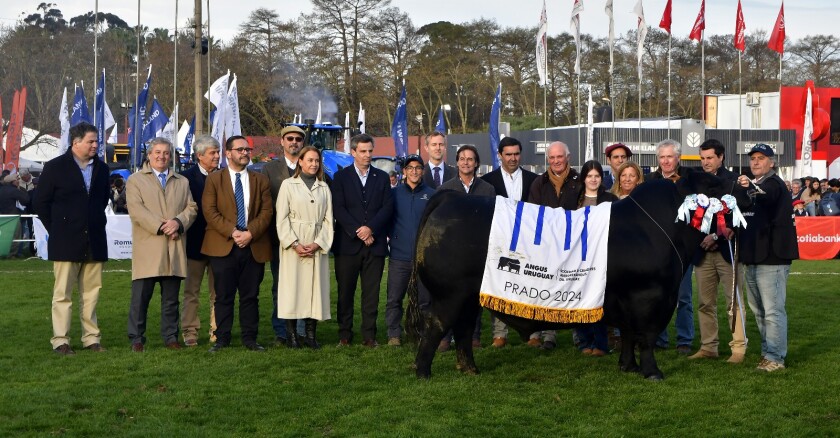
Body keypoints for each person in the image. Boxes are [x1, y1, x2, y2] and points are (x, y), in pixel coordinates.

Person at [34, 122, 110, 354]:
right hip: (65, 240)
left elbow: (102, 200)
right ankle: (61, 340)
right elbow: (40, 203)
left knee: (91, 294)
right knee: (62, 294)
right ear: (75, 142)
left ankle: (91, 338)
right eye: (91, 141)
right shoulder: (55, 167)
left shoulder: (102, 169)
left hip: (94, 239)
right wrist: (58, 228)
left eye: (96, 141)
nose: (96, 145)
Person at [202, 135, 274, 353]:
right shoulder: (214, 179)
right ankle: (222, 338)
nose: (245, 153)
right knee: (223, 296)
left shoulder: (260, 179)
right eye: (240, 149)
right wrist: (233, 232)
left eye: (247, 149)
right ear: (228, 153)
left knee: (250, 296)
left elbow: (266, 211)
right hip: (223, 246)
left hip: (253, 246)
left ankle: (250, 339)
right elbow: (210, 211)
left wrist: (250, 233)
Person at [125, 138, 197, 351]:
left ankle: (170, 337)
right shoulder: (135, 181)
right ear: (149, 155)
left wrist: (178, 223)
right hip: (149, 247)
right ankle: (136, 338)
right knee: (141, 299)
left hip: (173, 249)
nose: (161, 156)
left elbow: (191, 208)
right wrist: (162, 226)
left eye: (166, 153)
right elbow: (137, 210)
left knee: (171, 299)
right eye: (157, 152)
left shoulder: (182, 181)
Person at [736, 144, 799, 372]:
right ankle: (767, 353)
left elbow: (768, 196)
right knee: (760, 311)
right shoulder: (758, 185)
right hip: (754, 256)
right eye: (753, 158)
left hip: (772, 257)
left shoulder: (774, 184)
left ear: (772, 162)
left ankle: (775, 357)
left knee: (772, 311)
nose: (755, 162)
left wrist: (749, 186)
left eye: (761, 158)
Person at [331, 133, 394, 347]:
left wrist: (371, 229)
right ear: (353, 152)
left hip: (374, 246)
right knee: (345, 294)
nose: (367, 155)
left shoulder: (382, 177)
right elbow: (338, 208)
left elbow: (387, 207)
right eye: (363, 151)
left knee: (371, 295)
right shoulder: (340, 177)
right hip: (347, 246)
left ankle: (369, 336)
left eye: (370, 151)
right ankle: (344, 335)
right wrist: (359, 231)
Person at [688, 139, 747, 364]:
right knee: (705, 302)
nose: (705, 163)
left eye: (710, 158)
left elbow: (742, 215)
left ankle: (739, 348)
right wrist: (701, 237)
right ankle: (708, 347)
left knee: (733, 301)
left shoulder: (734, 181)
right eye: (702, 158)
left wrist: (719, 234)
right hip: (702, 252)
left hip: (728, 251)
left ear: (721, 157)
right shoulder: (695, 183)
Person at [481, 137, 543, 349]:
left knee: (530, 287)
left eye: (516, 154)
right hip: (500, 243)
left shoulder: (534, 180)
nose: (513, 158)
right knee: (500, 288)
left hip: (528, 244)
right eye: (508, 154)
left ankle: (533, 333)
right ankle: (500, 334)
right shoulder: (488, 181)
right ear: (500, 155)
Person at [276, 146, 334, 349]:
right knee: (293, 289)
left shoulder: (324, 187)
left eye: (316, 161)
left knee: (314, 289)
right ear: (300, 161)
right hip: (295, 245)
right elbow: (281, 218)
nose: (313, 164)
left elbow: (328, 220)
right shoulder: (288, 185)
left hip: (315, 244)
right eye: (309, 160)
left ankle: (310, 335)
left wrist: (318, 243)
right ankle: (291, 335)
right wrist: (294, 243)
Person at [646, 139, 694, 354]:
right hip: (657, 250)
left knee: (683, 297)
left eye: (669, 156)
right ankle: (659, 338)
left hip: (682, 249)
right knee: (658, 296)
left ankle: (684, 340)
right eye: (662, 157)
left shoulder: (689, 179)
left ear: (678, 158)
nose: (665, 161)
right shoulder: (649, 181)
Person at [263, 125, 307, 346]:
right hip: (279, 239)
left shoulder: (312, 166)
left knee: (304, 285)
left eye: (298, 139)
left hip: (307, 239)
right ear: (282, 141)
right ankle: (281, 332)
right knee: (280, 286)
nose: (294, 142)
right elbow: (265, 203)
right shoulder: (269, 170)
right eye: (290, 138)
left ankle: (300, 331)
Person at [385, 154, 435, 347]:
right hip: (399, 256)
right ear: (404, 171)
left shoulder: (431, 194)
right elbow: (388, 220)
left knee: (424, 300)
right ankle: (394, 334)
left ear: (423, 171)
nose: (414, 171)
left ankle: (422, 332)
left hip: (423, 258)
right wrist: (395, 239)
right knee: (394, 298)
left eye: (418, 168)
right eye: (410, 168)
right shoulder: (394, 193)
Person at [571, 160, 616, 356]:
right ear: (584, 178)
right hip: (576, 258)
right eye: (589, 176)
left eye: (597, 176)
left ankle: (601, 344)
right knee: (578, 300)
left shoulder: (610, 199)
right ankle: (584, 342)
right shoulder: (574, 200)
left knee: (598, 301)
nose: (593, 179)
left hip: (601, 259)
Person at [180, 135, 221, 346]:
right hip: (194, 244)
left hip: (220, 244)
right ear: (199, 155)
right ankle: (190, 332)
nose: (217, 156)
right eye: (212, 152)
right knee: (191, 292)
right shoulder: (184, 178)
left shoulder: (225, 176)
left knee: (219, 292)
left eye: (217, 152)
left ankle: (217, 331)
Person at [0, 173, 29, 258]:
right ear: (12, 182)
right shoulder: (14, 191)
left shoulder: (1, 190)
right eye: (17, 180)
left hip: (2, 217)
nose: (18, 181)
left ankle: (3, 252)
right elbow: (26, 199)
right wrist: (20, 190)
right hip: (13, 216)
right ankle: (12, 254)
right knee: (15, 236)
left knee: (4, 236)